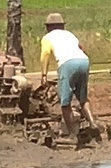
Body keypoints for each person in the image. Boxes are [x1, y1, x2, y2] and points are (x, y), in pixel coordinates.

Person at [40, 12, 97, 145]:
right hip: (84, 61)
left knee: (65, 102)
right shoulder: (70, 35)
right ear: (62, 26)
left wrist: (44, 75)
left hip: (67, 64)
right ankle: (93, 124)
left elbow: (45, 55)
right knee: (82, 98)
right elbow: (81, 48)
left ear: (48, 27)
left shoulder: (47, 38)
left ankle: (72, 135)